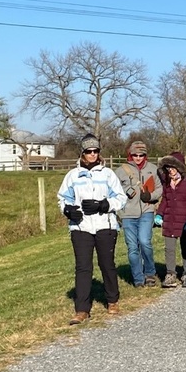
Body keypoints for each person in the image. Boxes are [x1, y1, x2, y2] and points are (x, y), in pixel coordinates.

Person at [57, 134, 128, 325]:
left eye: (95, 151)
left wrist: (104, 205)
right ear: (83, 153)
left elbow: (121, 198)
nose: (92, 154)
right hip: (81, 227)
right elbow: (63, 198)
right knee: (83, 267)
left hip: (105, 225)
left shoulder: (107, 174)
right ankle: (82, 309)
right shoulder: (72, 175)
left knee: (107, 264)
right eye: (88, 151)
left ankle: (112, 300)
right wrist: (68, 210)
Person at [115, 140, 162, 288]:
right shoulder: (120, 171)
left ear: (145, 155)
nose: (138, 157)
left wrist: (151, 196)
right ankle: (138, 278)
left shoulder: (153, 169)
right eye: (135, 154)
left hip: (146, 211)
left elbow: (160, 188)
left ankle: (149, 273)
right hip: (127, 214)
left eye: (141, 155)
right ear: (130, 154)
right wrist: (126, 191)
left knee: (144, 242)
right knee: (132, 247)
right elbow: (113, 190)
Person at [155, 152, 186, 287]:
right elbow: (165, 200)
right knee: (169, 248)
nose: (171, 171)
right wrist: (159, 214)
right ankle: (170, 273)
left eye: (173, 168)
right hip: (170, 219)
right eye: (168, 169)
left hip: (185, 220)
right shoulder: (167, 183)